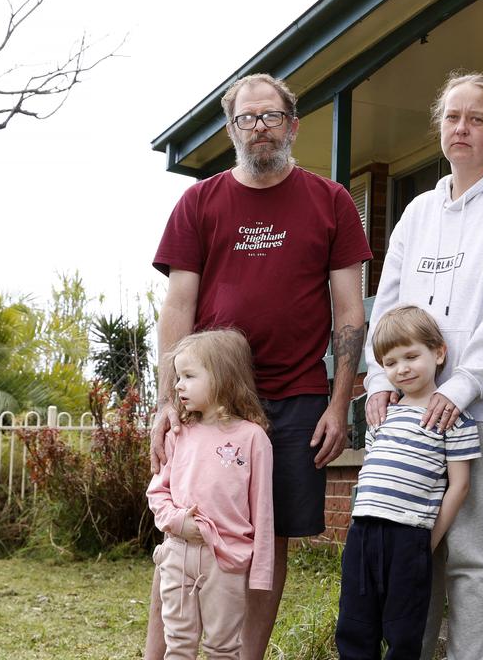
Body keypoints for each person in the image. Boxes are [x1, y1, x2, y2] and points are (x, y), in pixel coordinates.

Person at [147, 73, 372, 660]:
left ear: (293, 126)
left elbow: (350, 312)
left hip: (297, 397)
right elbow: (178, 306)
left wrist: (340, 401)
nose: (260, 128)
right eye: (248, 118)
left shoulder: (331, 201)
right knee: (182, 531)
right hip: (210, 399)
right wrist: (168, 400)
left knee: (268, 540)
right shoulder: (200, 201)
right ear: (232, 129)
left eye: (271, 117)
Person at [363, 72, 483, 660]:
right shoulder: (418, 212)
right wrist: (375, 380)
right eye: (451, 117)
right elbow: (387, 305)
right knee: (414, 546)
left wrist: (464, 385)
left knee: (469, 553)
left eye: (476, 118)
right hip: (412, 412)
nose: (461, 128)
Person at [336, 305, 480, 660]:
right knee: (355, 624)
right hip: (363, 532)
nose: (402, 368)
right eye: (391, 362)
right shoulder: (381, 416)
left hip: (410, 535)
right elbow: (372, 471)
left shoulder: (453, 419)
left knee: (403, 629)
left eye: (412, 356)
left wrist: (427, 540)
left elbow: (459, 486)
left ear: (438, 352)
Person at [147, 329, 274, 659]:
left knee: (222, 647)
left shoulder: (253, 438)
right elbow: (157, 493)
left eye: (189, 376)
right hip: (177, 553)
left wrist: (260, 574)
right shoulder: (178, 434)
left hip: (227, 562)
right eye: (178, 377)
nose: (178, 385)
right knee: (179, 645)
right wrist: (178, 522)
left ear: (222, 377)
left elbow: (262, 512)